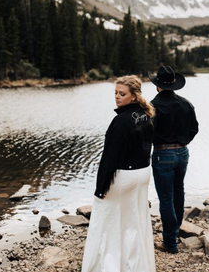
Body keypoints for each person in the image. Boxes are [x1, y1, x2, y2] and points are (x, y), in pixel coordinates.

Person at [82, 75, 156, 272]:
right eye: (115, 93)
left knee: (108, 223)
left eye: (122, 94)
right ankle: (138, 266)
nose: (117, 97)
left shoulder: (120, 121)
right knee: (135, 221)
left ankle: (108, 267)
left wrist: (101, 188)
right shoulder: (146, 115)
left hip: (125, 177)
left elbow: (110, 157)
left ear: (133, 96)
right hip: (142, 175)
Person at [148, 65, 199, 254]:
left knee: (166, 199)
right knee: (179, 192)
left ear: (157, 86)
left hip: (163, 154)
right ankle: (174, 233)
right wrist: (182, 142)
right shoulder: (186, 103)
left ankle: (170, 243)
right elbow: (194, 129)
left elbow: (147, 132)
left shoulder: (153, 105)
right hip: (183, 153)